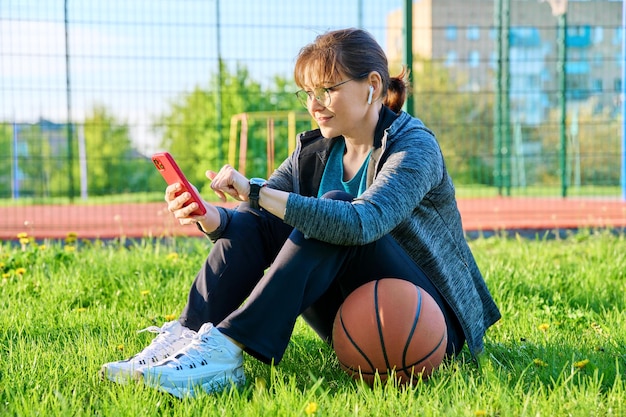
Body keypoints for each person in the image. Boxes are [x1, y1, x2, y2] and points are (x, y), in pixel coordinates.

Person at [100, 27, 501, 398]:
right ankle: (186, 337)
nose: (314, 105)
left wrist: (256, 192)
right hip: (355, 312)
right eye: (307, 93)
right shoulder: (312, 151)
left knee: (333, 210)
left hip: (428, 323)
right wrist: (209, 216)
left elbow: (365, 222)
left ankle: (226, 349)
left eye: (326, 90)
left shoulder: (414, 147)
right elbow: (257, 218)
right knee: (257, 219)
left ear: (372, 86)